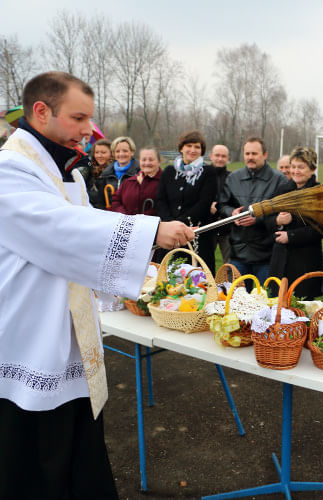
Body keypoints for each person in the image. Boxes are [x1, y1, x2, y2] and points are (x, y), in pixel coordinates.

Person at [0, 71, 192, 499]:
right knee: (33, 465)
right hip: (30, 339)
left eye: (91, 118)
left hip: (70, 333)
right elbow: (62, 230)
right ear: (41, 111)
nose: (89, 130)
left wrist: (147, 274)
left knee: (78, 454)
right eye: (79, 117)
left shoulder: (69, 173)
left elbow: (90, 227)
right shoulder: (8, 171)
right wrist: (150, 231)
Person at [216, 137, 286, 283]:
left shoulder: (278, 180)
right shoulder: (233, 178)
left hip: (267, 254)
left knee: (267, 301)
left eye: (254, 154)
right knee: (236, 301)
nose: (250, 157)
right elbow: (222, 205)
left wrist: (258, 219)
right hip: (238, 252)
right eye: (247, 154)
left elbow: (283, 213)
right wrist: (232, 213)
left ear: (265, 155)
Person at [156, 130, 217, 273]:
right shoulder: (169, 172)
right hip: (169, 234)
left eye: (197, 147)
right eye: (189, 145)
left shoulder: (208, 172)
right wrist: (171, 224)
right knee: (166, 277)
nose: (193, 150)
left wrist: (181, 224)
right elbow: (160, 200)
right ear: (181, 148)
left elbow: (204, 203)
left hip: (196, 235)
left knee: (197, 279)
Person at [268, 147, 323, 299]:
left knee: (301, 309)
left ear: (312, 169)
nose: (295, 171)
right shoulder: (282, 189)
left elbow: (320, 228)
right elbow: (267, 220)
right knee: (276, 306)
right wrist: (277, 221)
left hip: (305, 261)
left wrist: (291, 235)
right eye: (293, 166)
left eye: (301, 167)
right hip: (280, 262)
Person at [110, 146, 162, 216]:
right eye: (143, 160)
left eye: (151, 160)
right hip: (127, 224)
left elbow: (162, 207)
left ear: (159, 162)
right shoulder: (128, 182)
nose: (147, 163)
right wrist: (124, 215)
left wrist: (139, 219)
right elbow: (115, 200)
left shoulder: (165, 182)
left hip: (153, 225)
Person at [99, 136, 139, 208]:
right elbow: (101, 201)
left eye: (125, 151)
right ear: (114, 154)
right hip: (112, 215)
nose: (121, 154)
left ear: (132, 152)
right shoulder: (106, 174)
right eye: (117, 151)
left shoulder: (140, 172)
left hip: (134, 215)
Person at [209, 144, 232, 266]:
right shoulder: (204, 175)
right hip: (207, 227)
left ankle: (230, 285)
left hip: (227, 228)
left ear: (228, 158)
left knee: (229, 265)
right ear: (211, 156)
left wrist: (218, 209)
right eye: (217, 155)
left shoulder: (232, 177)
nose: (220, 159)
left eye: (223, 156)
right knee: (204, 264)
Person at [77, 138, 111, 210]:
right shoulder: (89, 168)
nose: (99, 155)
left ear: (111, 153)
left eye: (103, 152)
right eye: (97, 152)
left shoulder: (114, 170)